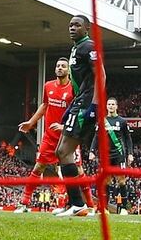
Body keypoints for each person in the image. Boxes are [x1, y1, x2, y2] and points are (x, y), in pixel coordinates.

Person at [14, 57, 93, 212]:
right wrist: (31, 122)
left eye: (63, 66)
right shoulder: (48, 86)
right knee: (39, 167)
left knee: (78, 170)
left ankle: (90, 206)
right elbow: (44, 105)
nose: (60, 68)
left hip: (68, 137)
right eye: (58, 66)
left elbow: (79, 112)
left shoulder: (74, 89)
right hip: (49, 137)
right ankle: (23, 203)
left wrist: (64, 126)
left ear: (69, 70)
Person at [55, 15, 104, 217]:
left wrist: (95, 105)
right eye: (70, 25)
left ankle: (78, 204)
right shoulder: (76, 48)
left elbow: (101, 74)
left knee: (64, 151)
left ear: (86, 28)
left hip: (86, 103)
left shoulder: (89, 46)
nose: (72, 28)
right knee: (60, 151)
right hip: (79, 101)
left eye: (77, 25)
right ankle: (75, 204)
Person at [89, 97, 134, 213]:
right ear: (106, 106)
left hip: (119, 154)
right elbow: (96, 137)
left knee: (121, 181)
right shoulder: (102, 121)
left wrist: (130, 153)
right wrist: (92, 151)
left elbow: (128, 138)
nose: (111, 106)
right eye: (109, 104)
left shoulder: (122, 121)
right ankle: (104, 208)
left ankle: (124, 208)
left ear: (116, 106)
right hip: (106, 155)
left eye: (113, 104)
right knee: (106, 181)